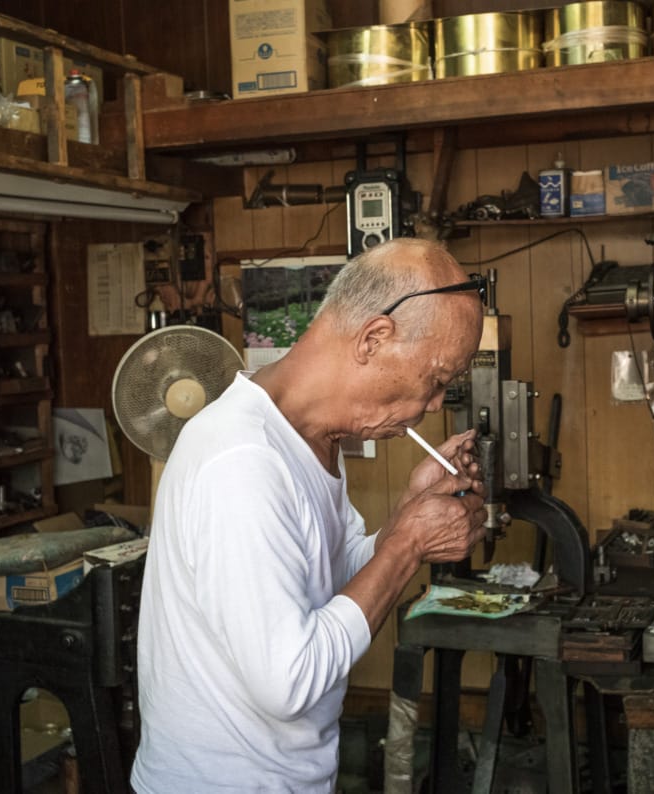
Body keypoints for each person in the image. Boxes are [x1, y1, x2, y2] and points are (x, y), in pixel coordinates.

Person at [130, 238, 489, 792]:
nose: (436, 404)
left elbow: (329, 573)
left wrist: (406, 519)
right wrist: (407, 546)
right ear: (374, 338)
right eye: (437, 380)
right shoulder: (243, 460)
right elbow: (289, 680)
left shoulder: (303, 434)